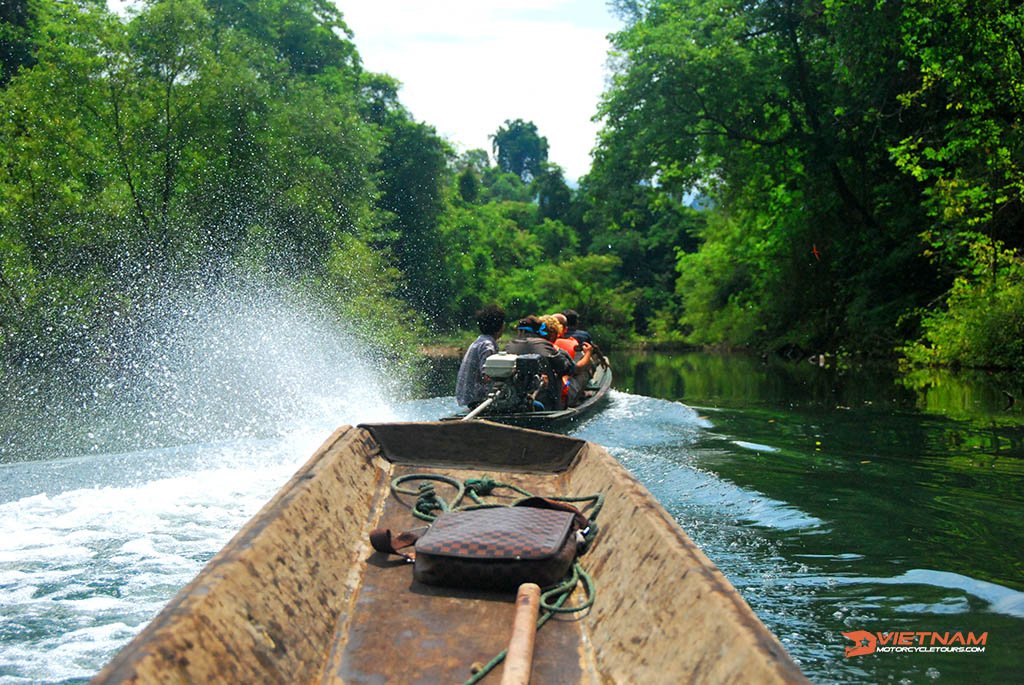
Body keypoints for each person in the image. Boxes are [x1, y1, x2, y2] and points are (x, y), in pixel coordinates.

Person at [505, 315, 575, 410]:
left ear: (520, 331)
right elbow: (566, 369)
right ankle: (558, 408)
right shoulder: (545, 345)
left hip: (512, 400)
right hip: (544, 402)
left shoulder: (509, 346)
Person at [455, 304, 506, 408]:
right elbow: (487, 376)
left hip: (465, 398)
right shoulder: (488, 346)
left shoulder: (479, 341)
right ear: (500, 326)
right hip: (476, 401)